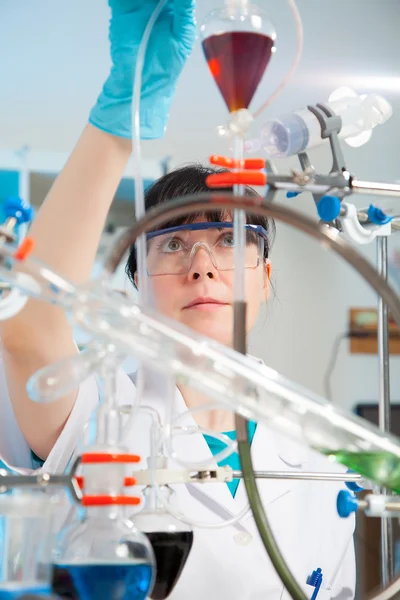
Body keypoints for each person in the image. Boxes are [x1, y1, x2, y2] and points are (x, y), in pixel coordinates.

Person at [0, 1, 356, 598]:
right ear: (137, 281)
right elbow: (30, 331)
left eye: (229, 239)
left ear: (264, 275)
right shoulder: (100, 410)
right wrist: (121, 118)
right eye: (172, 245)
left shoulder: (320, 448)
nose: (202, 266)